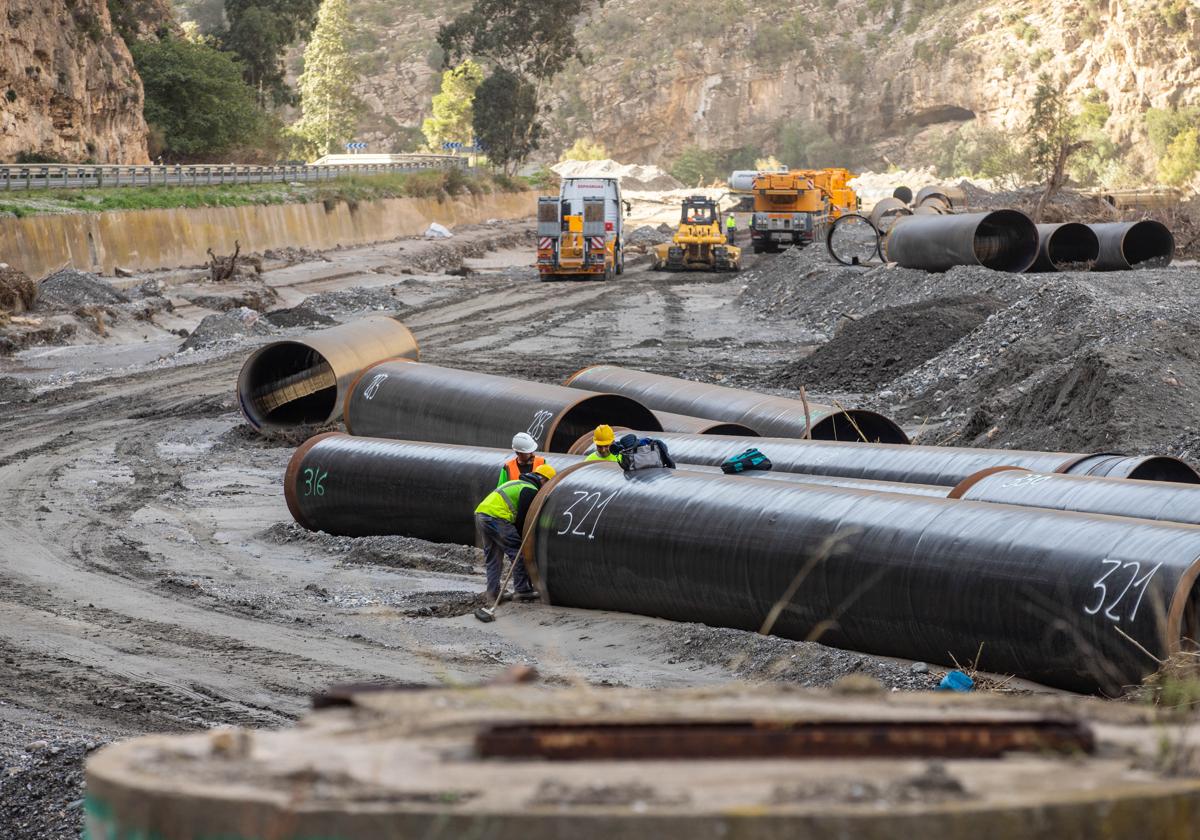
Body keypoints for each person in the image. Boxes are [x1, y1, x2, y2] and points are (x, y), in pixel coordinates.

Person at [474, 463, 557, 602]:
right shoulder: (529, 489)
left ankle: (493, 593)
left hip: (481, 515)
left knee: (493, 557)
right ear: (543, 479)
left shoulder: (518, 483)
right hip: (496, 518)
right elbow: (522, 521)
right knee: (519, 552)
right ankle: (522, 590)